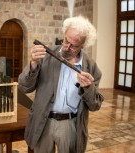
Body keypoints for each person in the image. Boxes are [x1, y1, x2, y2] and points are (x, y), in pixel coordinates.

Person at [18, 15, 104, 153]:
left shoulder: (91, 67)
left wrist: (88, 88)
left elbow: (95, 105)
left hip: (70, 125)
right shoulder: (46, 55)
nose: (67, 47)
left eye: (74, 46)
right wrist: (33, 64)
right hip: (43, 121)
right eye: (66, 41)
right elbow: (24, 87)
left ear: (83, 45)